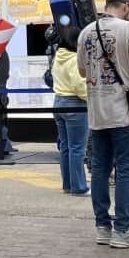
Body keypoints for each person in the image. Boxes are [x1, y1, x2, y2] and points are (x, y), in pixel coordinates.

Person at [77, 0, 129, 249]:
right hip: (123, 112)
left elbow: (81, 70)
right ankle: (123, 228)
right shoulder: (128, 29)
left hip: (97, 113)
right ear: (127, 7)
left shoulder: (86, 31)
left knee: (99, 170)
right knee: (127, 170)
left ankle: (102, 227)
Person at [50, 24, 89, 196]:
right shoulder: (74, 59)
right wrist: (92, 98)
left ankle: (68, 184)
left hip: (58, 102)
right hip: (75, 105)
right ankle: (79, 187)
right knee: (77, 148)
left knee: (65, 147)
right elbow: (79, 85)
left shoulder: (58, 57)